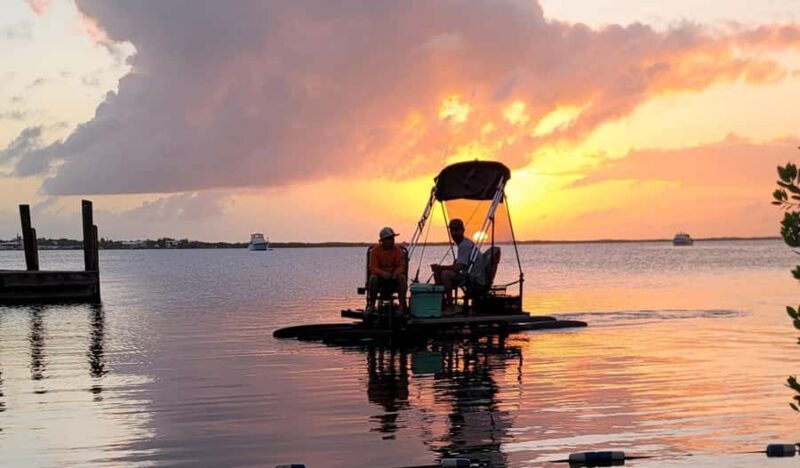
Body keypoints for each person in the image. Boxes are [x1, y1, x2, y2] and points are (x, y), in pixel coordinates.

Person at [431, 218, 492, 311]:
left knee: (445, 274)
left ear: (462, 230)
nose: (454, 233)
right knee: (438, 273)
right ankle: (442, 303)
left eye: (456, 230)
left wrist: (440, 267)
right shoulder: (463, 244)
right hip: (468, 275)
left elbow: (459, 267)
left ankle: (450, 306)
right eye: (452, 230)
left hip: (474, 279)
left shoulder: (464, 245)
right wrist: (440, 269)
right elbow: (460, 265)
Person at [367, 227, 408, 317]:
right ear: (383, 241)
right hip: (380, 280)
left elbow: (402, 266)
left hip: (394, 279)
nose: (392, 241)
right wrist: (383, 274)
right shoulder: (375, 251)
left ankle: (401, 307)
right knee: (372, 278)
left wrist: (395, 274)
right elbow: (373, 268)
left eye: (392, 238)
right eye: (389, 239)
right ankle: (372, 306)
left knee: (402, 278)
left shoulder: (398, 251)